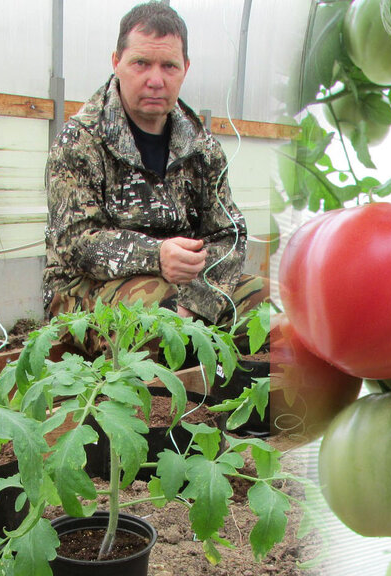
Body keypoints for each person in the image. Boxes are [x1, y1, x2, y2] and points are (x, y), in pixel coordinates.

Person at [43, 1, 267, 330]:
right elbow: (77, 243)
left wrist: (199, 301)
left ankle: (227, 379)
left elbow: (228, 234)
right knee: (159, 320)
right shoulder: (80, 142)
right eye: (141, 63)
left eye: (169, 66)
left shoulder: (202, 148)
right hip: (84, 292)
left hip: (185, 289)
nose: (155, 79)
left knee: (271, 308)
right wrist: (156, 255)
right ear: (116, 62)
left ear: (185, 68)